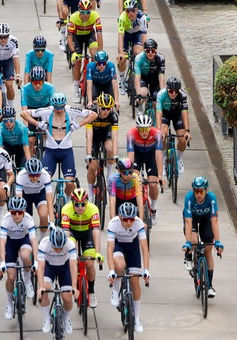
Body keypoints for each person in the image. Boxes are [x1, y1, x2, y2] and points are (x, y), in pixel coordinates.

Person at [22, 92, 97, 197]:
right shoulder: (47, 111)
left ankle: (67, 201)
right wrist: (38, 124)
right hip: (50, 151)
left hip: (66, 151)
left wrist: (79, 125)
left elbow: (94, 114)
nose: (58, 110)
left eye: (61, 107)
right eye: (56, 107)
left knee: (70, 183)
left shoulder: (71, 110)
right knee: (44, 180)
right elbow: (24, 113)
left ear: (64, 104)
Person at [107, 202, 151, 334]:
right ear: (120, 217)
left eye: (131, 218)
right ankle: (115, 290)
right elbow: (109, 249)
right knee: (120, 266)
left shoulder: (138, 223)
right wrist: (111, 271)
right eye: (125, 219)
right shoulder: (113, 224)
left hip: (133, 247)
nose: (128, 222)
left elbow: (144, 248)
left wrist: (146, 270)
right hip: (118, 245)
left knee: (134, 281)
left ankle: (136, 318)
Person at [60, 188, 103, 307]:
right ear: (72, 203)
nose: (80, 207)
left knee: (89, 264)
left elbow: (96, 231)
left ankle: (92, 291)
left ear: (87, 203)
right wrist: (68, 251)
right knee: (71, 252)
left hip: (87, 234)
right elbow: (66, 233)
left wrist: (98, 253)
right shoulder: (66, 209)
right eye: (77, 204)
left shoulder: (93, 209)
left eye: (83, 204)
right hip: (73, 232)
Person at [182, 176, 224, 297]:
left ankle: (210, 285)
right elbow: (188, 222)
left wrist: (218, 241)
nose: (199, 194)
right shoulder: (189, 198)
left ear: (206, 190)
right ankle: (189, 256)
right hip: (192, 219)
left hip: (206, 219)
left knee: (208, 250)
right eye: (196, 191)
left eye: (201, 191)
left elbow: (214, 221)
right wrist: (188, 243)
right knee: (194, 240)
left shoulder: (211, 198)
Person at [0, 197, 37, 319]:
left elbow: (34, 242)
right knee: (11, 276)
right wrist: (2, 262)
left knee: (25, 256)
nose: (17, 215)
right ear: (10, 211)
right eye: (14, 212)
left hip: (23, 240)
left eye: (20, 212)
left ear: (24, 211)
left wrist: (35, 261)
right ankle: (9, 303)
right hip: (10, 243)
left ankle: (28, 280)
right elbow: (2, 243)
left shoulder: (29, 219)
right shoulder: (5, 220)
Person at [36, 226, 77, 334]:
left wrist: (74, 286)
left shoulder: (70, 244)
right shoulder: (44, 243)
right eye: (55, 248)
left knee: (67, 297)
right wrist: (40, 287)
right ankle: (47, 318)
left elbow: (73, 266)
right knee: (45, 289)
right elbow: (40, 267)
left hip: (64, 268)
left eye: (61, 248)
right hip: (49, 267)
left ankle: (66, 318)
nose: (58, 250)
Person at [126, 114, 162, 224]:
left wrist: (160, 175)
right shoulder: (131, 134)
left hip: (151, 157)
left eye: (146, 129)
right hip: (138, 156)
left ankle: (154, 208)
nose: (144, 132)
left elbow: (158, 156)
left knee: (153, 184)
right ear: (137, 128)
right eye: (141, 129)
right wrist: (129, 173)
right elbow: (130, 156)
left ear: (150, 128)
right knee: (134, 179)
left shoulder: (157, 133)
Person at [67, 0, 102, 104]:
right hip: (77, 37)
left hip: (89, 35)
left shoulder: (95, 15)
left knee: (95, 55)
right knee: (77, 62)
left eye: (88, 12)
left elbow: (99, 35)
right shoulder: (73, 17)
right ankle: (76, 89)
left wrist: (100, 52)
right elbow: (69, 37)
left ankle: (92, 80)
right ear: (79, 11)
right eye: (83, 12)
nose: (85, 15)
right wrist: (73, 53)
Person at [84, 93, 118, 196]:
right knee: (92, 166)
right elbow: (89, 136)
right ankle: (90, 192)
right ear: (98, 106)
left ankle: (108, 175)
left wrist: (115, 154)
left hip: (105, 134)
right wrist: (89, 154)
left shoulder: (113, 115)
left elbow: (115, 136)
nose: (105, 111)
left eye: (108, 109)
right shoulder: (91, 113)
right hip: (94, 136)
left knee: (110, 148)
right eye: (103, 108)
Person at [156, 77, 191, 173]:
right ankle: (162, 162)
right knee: (163, 135)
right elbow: (158, 113)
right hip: (165, 114)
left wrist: (187, 131)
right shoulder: (161, 94)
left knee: (182, 139)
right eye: (171, 91)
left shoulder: (182, 95)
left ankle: (179, 159)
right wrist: (159, 130)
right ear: (167, 89)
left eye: (176, 91)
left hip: (177, 115)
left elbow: (184, 113)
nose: (174, 93)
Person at [20, 66, 55, 157]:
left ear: (44, 81)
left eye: (40, 82)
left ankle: (46, 152)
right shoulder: (25, 88)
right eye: (35, 82)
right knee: (31, 140)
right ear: (31, 81)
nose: (38, 85)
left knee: (46, 134)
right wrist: (26, 127)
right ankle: (31, 162)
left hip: (45, 108)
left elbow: (52, 109)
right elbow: (24, 110)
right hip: (31, 110)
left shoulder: (50, 87)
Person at [15, 158, 54, 234]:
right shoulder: (21, 175)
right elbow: (19, 201)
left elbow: (49, 202)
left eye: (37, 175)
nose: (35, 178)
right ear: (27, 173)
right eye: (32, 175)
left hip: (40, 194)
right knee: (24, 219)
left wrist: (52, 221)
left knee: (43, 215)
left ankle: (42, 238)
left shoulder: (45, 175)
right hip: (25, 195)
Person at [116, 0, 148, 75]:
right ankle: (122, 81)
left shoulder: (142, 17)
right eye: (128, 11)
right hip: (126, 35)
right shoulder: (122, 18)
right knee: (122, 59)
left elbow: (144, 35)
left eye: (133, 10)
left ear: (137, 10)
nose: (130, 13)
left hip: (137, 34)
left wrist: (145, 50)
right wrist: (121, 53)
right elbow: (120, 36)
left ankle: (138, 75)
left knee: (139, 53)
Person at [134, 38, 165, 109]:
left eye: (153, 51)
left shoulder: (160, 58)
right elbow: (137, 76)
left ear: (156, 51)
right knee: (143, 93)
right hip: (143, 78)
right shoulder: (139, 58)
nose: (150, 53)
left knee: (157, 102)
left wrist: (163, 93)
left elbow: (161, 77)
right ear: (144, 51)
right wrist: (138, 93)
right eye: (148, 51)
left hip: (155, 79)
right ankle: (140, 108)